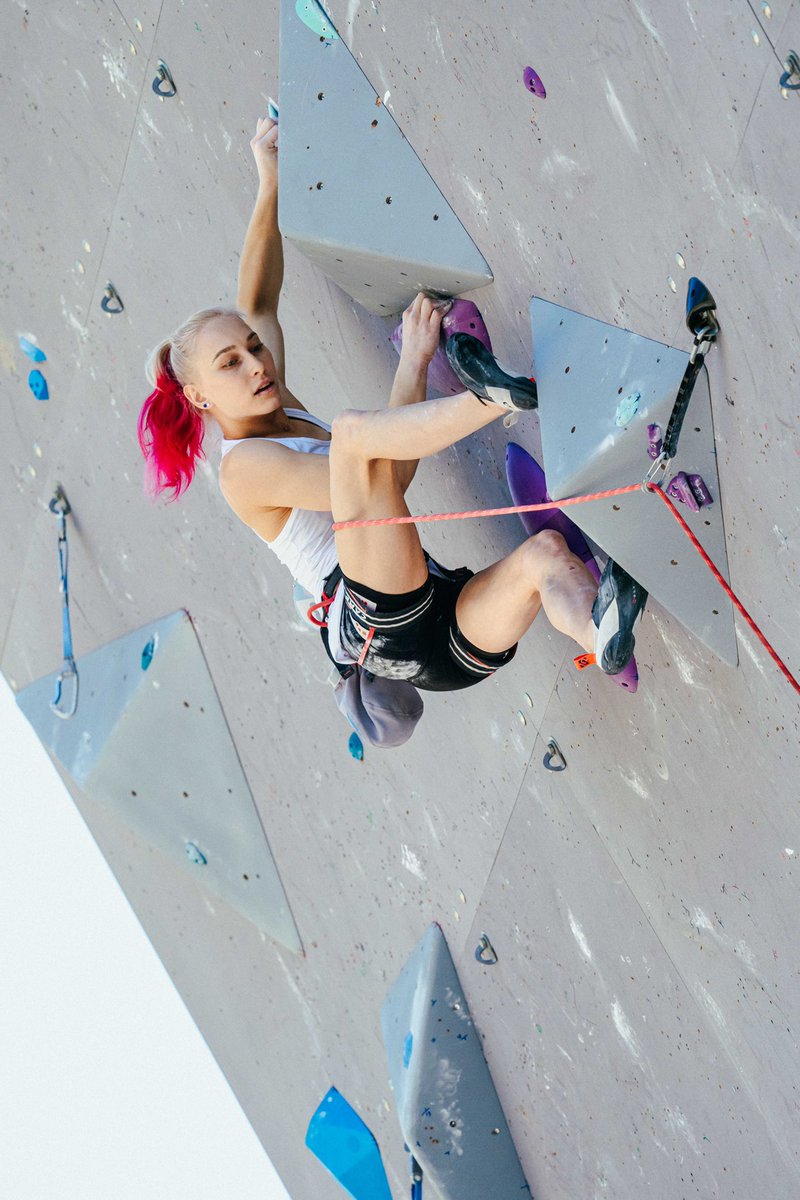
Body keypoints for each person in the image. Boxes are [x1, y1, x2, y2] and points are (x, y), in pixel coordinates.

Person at [138, 115, 646, 711]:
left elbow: (256, 299)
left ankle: (600, 633)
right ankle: (493, 398)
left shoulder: (267, 389)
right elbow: (388, 478)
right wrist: (415, 364)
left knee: (544, 560)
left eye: (253, 347)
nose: (255, 363)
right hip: (377, 623)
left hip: (437, 632)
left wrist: (269, 179)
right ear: (200, 398)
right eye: (230, 363)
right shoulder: (241, 471)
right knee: (354, 437)